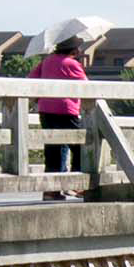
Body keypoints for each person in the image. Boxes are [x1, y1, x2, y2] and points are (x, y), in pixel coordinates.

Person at [32, 35, 89, 195]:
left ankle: (51, 190)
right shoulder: (71, 64)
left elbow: (31, 80)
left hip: (45, 110)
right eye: (78, 47)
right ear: (73, 49)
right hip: (65, 110)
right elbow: (86, 86)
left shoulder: (46, 61)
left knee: (53, 149)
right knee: (79, 147)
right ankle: (76, 184)